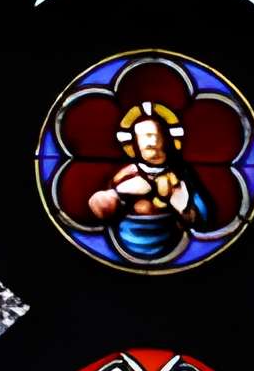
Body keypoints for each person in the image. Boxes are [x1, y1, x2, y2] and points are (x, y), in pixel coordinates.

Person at [82, 100, 207, 264]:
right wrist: (120, 192)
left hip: (171, 245)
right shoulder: (126, 175)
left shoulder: (181, 175)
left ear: (168, 139)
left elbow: (200, 218)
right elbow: (99, 208)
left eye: (157, 136)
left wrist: (179, 201)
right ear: (134, 143)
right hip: (125, 244)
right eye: (144, 137)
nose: (152, 143)